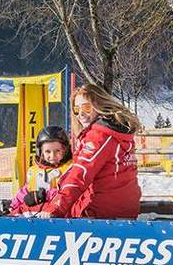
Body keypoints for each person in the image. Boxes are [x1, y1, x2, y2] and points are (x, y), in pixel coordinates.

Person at [38, 85, 142, 219]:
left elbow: (81, 174)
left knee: (38, 211)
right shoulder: (118, 133)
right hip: (124, 207)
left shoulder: (99, 137)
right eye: (76, 109)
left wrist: (55, 208)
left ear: (99, 105)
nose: (80, 114)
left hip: (100, 211)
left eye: (86, 107)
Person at [8, 126, 73, 216]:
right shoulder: (34, 171)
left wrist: (44, 195)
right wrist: (13, 206)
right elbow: (25, 191)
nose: (52, 156)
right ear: (41, 152)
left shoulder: (69, 170)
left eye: (57, 151)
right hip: (32, 213)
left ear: (65, 150)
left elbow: (68, 193)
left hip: (55, 212)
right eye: (47, 152)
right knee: (13, 215)